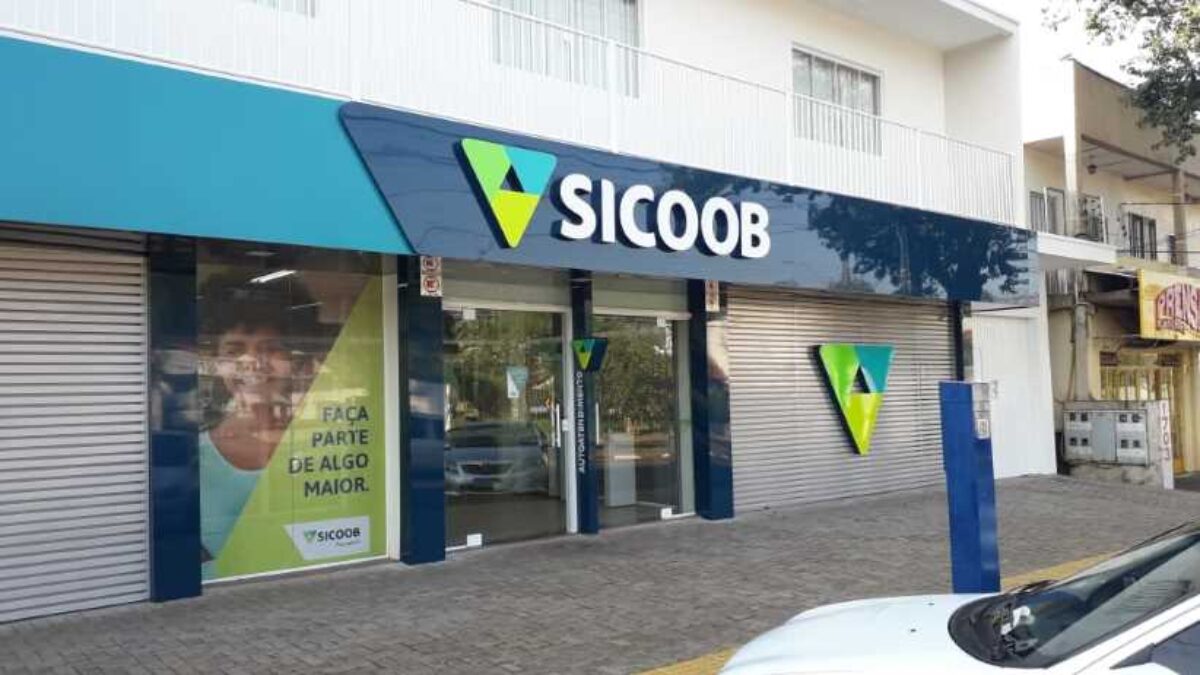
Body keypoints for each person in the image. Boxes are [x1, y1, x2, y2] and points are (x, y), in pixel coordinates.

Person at [197, 271, 326, 577]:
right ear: (217, 362)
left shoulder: (323, 441)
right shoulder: (194, 455)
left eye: (271, 348)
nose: (253, 362)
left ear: (294, 360)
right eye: (234, 350)